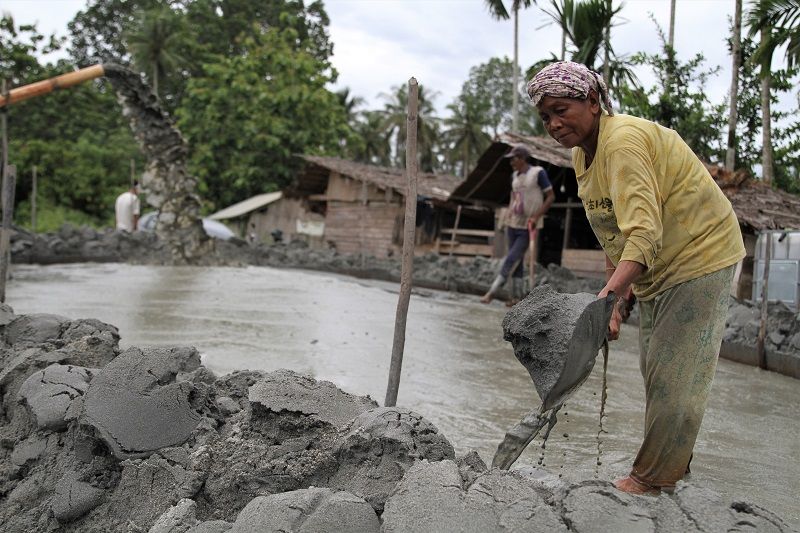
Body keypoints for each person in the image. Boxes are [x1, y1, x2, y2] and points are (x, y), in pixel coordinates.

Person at [527, 61, 745, 495]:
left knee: (675, 374)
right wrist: (616, 302)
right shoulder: (580, 154)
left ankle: (652, 480)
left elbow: (644, 235)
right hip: (659, 267)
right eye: (544, 116)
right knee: (657, 369)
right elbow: (614, 231)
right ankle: (674, 469)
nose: (553, 123)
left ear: (592, 102)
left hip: (700, 252)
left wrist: (604, 298)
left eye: (561, 110)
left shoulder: (622, 143)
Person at [481, 145, 555, 305]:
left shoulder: (538, 173)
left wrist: (536, 216)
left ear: (522, 158)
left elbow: (550, 196)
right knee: (518, 261)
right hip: (513, 222)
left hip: (529, 223)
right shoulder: (514, 176)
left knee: (512, 257)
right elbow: (513, 198)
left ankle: (492, 292)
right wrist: (507, 215)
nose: (511, 162)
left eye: (513, 159)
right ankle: (516, 298)